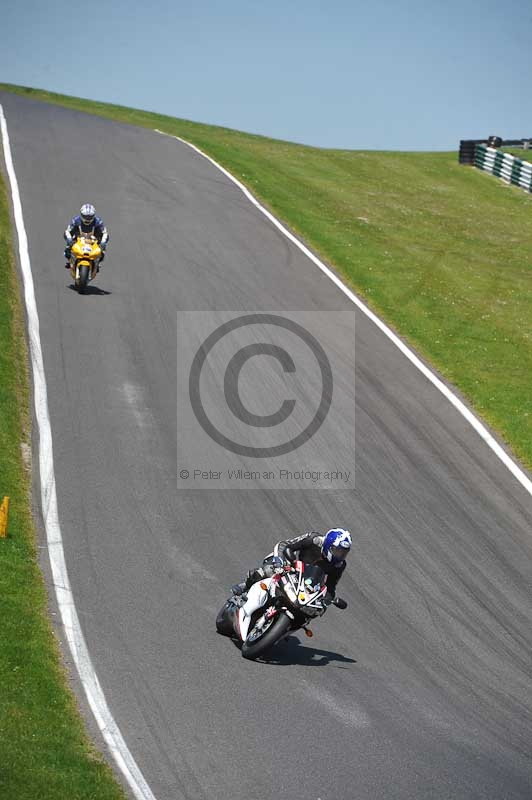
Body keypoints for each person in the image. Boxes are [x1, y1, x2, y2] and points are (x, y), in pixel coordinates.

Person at [232, 528, 351, 604]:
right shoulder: (313, 539)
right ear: (329, 545)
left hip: (306, 583)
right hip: (290, 566)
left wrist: (328, 599)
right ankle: (246, 585)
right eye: (338, 551)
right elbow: (285, 544)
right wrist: (279, 560)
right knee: (269, 570)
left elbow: (331, 587)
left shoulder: (339, 565)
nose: (340, 555)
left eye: (344, 553)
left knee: (313, 608)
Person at [64, 203, 109, 270]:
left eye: (89, 217)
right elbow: (67, 231)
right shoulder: (76, 220)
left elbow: (105, 233)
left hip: (93, 240)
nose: (87, 219)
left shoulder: (98, 222)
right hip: (78, 239)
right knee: (67, 251)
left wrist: (103, 242)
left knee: (102, 252)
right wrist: (69, 239)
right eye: (85, 216)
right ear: (81, 215)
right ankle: (70, 262)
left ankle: (97, 264)